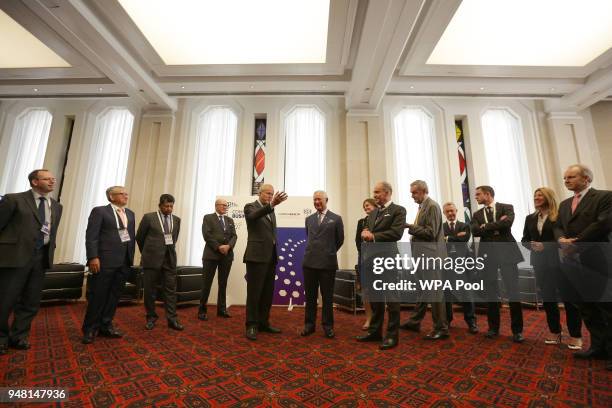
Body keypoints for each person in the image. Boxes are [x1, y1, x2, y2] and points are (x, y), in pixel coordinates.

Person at [0, 169, 63, 355]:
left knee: (31, 302)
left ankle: (19, 336)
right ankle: (1, 337)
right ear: (35, 182)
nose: (52, 181)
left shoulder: (57, 206)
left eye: (53, 178)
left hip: (41, 258)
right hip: (14, 258)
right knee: (5, 301)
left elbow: (51, 232)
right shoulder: (14, 200)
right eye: (47, 179)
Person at [555, 164, 611, 370]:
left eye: (571, 177)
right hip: (573, 262)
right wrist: (561, 239)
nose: (566, 180)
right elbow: (558, 225)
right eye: (565, 178)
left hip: (597, 260)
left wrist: (575, 242)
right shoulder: (564, 204)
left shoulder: (604, 197)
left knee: (607, 308)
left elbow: (602, 224)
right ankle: (598, 347)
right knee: (586, 307)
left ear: (586, 179)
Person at [522, 187, 582, 348]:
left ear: (548, 197)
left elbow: (565, 240)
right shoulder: (529, 218)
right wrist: (532, 246)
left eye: (540, 195)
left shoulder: (560, 216)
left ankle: (576, 335)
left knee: (569, 300)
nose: (537, 197)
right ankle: (555, 332)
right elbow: (524, 239)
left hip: (560, 262)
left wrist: (545, 246)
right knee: (548, 299)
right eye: (535, 195)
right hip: (540, 263)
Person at [82, 186, 135, 344]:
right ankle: (90, 328)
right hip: (104, 261)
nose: (126, 196)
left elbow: (130, 237)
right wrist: (93, 257)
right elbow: (91, 235)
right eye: (122, 194)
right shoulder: (100, 211)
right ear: (111, 196)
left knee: (114, 297)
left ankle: (106, 325)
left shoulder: (130, 214)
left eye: (127, 193)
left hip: (124, 262)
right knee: (98, 296)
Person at [470, 185, 525, 343]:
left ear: (488, 194)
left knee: (513, 292)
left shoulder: (507, 207)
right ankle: (493, 328)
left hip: (508, 254)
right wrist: (495, 226)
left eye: (478, 194)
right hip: (488, 256)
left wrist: (485, 226)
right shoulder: (477, 214)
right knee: (491, 292)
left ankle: (517, 331)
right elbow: (474, 231)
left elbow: (507, 224)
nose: (476, 197)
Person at [356, 181, 406, 350]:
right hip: (371, 261)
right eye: (374, 192)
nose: (375, 195)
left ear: (387, 192)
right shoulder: (373, 213)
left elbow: (396, 233)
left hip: (388, 260)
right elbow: (367, 231)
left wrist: (373, 236)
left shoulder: (398, 210)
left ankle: (392, 336)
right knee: (376, 299)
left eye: (377, 192)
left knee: (392, 299)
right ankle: (375, 332)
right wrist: (364, 233)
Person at [400, 180, 449, 340]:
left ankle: (441, 328)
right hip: (422, 256)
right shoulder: (422, 207)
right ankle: (415, 322)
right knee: (423, 290)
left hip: (431, 257)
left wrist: (409, 227)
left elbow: (431, 232)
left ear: (423, 191)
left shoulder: (432, 206)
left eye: (414, 192)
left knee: (435, 293)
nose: (412, 196)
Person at [243, 184, 288, 340]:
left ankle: (263, 322)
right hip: (256, 257)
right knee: (254, 293)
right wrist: (271, 205)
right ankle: (251, 325)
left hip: (270, 257)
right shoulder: (250, 207)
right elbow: (252, 217)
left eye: (272, 194)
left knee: (267, 293)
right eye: (268, 193)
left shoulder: (271, 210)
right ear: (259, 193)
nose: (270, 195)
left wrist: (271, 206)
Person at [301, 191, 344, 339]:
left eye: (319, 199)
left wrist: (329, 251)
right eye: (314, 200)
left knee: (327, 298)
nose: (317, 202)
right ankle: (309, 325)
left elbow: (339, 240)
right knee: (311, 297)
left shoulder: (336, 219)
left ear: (326, 200)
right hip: (310, 263)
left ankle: (328, 326)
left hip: (327, 264)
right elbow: (309, 237)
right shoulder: (309, 219)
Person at [136, 194, 183, 331]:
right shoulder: (149, 217)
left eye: (171, 206)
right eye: (166, 206)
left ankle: (172, 319)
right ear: (160, 205)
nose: (169, 208)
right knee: (150, 290)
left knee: (170, 290)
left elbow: (174, 239)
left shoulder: (177, 220)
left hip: (169, 260)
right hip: (151, 260)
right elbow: (140, 237)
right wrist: (148, 252)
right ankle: (151, 317)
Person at [442, 202, 478, 334]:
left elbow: (465, 239)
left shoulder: (465, 225)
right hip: (446, 264)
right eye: (448, 211)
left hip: (463, 264)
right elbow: (440, 241)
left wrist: (447, 238)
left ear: (456, 210)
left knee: (467, 294)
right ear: (444, 213)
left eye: (452, 210)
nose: (450, 213)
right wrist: (455, 237)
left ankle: (471, 321)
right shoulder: (441, 227)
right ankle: (447, 320)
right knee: (446, 294)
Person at [199, 198, 237, 320]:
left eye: (227, 206)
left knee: (223, 283)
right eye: (223, 205)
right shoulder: (208, 218)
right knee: (206, 283)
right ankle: (202, 310)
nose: (225, 207)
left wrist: (228, 246)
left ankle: (221, 309)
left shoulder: (230, 220)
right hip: (211, 255)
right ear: (216, 206)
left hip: (227, 256)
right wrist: (218, 246)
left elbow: (234, 236)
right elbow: (207, 235)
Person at [355, 198, 376, 330]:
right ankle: (368, 318)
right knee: (366, 290)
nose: (366, 208)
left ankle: (378, 318)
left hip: (379, 260)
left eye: (368, 205)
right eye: (364, 206)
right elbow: (357, 240)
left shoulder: (381, 220)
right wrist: (364, 253)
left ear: (375, 206)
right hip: (364, 259)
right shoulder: (361, 222)